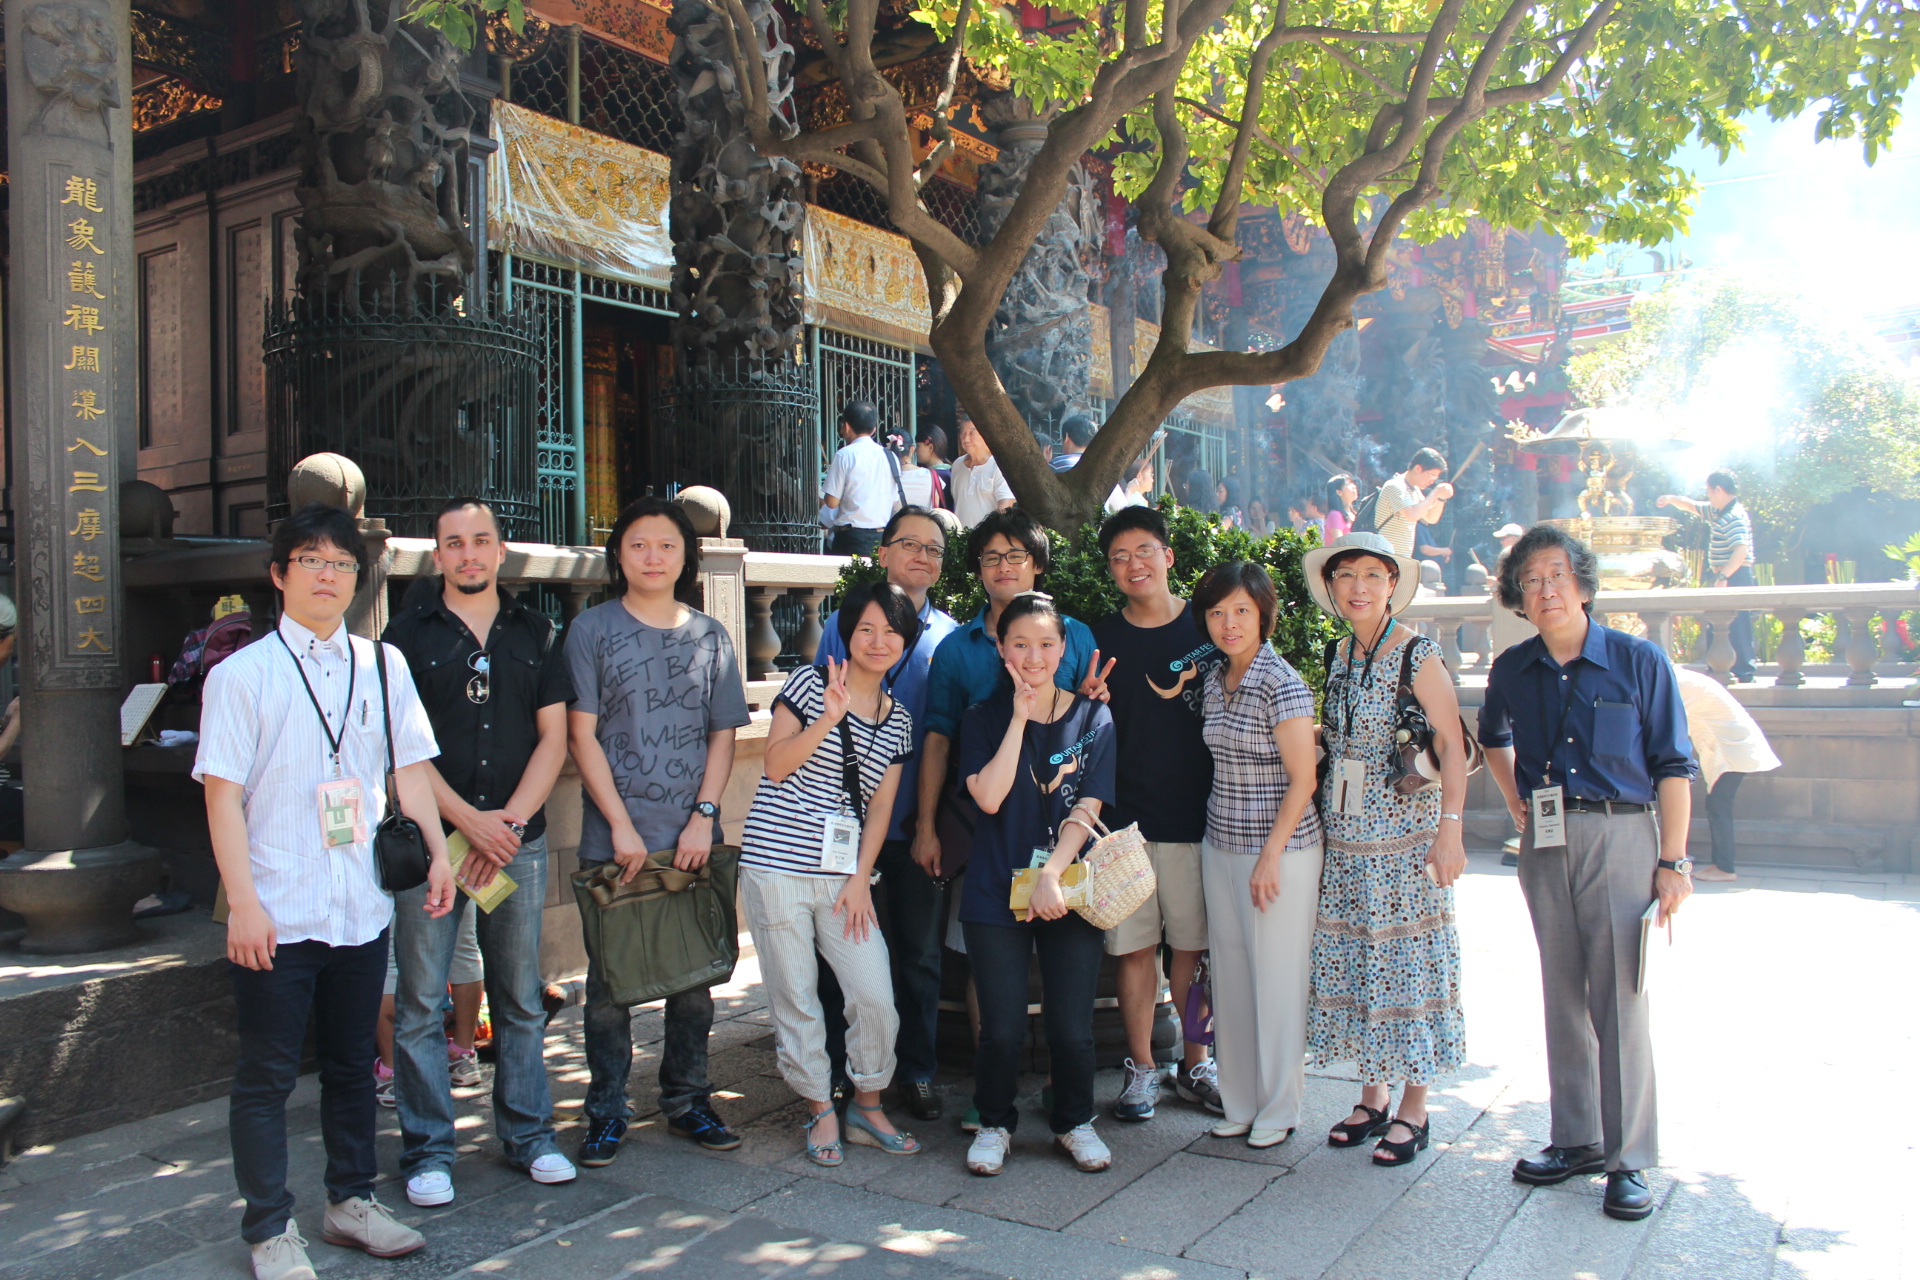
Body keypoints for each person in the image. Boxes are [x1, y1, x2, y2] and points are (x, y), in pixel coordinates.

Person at [194, 503, 454, 1280]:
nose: (328, 575)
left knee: (349, 1068)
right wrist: (243, 904)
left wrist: (439, 855)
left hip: (360, 907)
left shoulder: (383, 665)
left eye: (341, 563)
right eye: (311, 560)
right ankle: (269, 1229)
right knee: (267, 1077)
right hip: (276, 909)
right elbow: (221, 798)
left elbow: (409, 770)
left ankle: (351, 1200)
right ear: (280, 574)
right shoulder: (241, 676)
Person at [1478, 524, 1696, 1222]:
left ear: (1583, 583)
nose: (1545, 589)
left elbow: (1674, 764)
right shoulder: (1513, 668)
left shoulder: (1638, 660)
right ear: (1518, 596)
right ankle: (1577, 1139)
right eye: (1531, 580)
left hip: (1621, 834)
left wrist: (1673, 861)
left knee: (1620, 997)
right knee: (1562, 991)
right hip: (1545, 841)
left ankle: (1628, 1158)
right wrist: (1514, 801)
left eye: (1556, 575)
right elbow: (1491, 737)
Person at [381, 498, 578, 1207]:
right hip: (433, 844)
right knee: (420, 1000)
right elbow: (401, 748)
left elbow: (553, 739)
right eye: (455, 543)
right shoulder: (404, 637)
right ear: (437, 556)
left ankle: (530, 1136)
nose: (469, 554)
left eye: (481, 541)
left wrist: (510, 825)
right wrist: (469, 824)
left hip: (516, 845)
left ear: (500, 550)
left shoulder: (537, 631)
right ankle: (428, 1150)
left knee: (519, 995)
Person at [565, 497, 753, 1167]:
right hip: (615, 841)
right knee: (609, 985)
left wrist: (704, 815)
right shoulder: (591, 630)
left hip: (691, 839)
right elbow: (581, 734)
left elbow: (723, 733)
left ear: (685, 558)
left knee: (693, 982)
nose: (653, 557)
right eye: (639, 544)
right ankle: (606, 1110)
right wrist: (620, 826)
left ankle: (687, 1099)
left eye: (667, 545)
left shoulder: (711, 635)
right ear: (618, 554)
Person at [741, 583, 926, 1166]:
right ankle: (820, 1106)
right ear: (847, 634)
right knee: (796, 996)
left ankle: (866, 1103)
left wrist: (861, 877)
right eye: (866, 628)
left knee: (875, 997)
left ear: (906, 642)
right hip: (776, 866)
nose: (878, 641)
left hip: (843, 876)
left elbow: (881, 807)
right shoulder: (807, 684)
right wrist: (829, 718)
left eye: (892, 631)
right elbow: (775, 765)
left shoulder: (899, 721)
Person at [1302, 532, 1469, 1167]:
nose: (1359, 587)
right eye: (1346, 575)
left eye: (1373, 574)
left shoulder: (1417, 654)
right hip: (1348, 844)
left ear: (1392, 585)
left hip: (1406, 846)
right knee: (1363, 964)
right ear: (1331, 586)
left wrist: (1451, 829)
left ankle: (1414, 1108)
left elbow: (1452, 744)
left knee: (1408, 967)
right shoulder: (1338, 652)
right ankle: (1372, 1096)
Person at [958, 592, 1118, 1176]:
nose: (1034, 656)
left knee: (1071, 1029)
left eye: (1046, 644)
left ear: (1064, 649)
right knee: (1000, 1029)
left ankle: (1074, 1121)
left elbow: (1089, 806)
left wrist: (1051, 873)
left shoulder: (1093, 718)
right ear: (1001, 650)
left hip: (1068, 887)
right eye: (1020, 644)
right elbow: (989, 796)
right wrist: (1019, 718)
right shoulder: (981, 719)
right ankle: (994, 1122)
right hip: (993, 888)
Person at [813, 508, 962, 1121]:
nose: (922, 556)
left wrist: (931, 825)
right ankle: (839, 1070)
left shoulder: (949, 637)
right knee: (837, 954)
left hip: (915, 827)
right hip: (843, 829)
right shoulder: (841, 625)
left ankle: (917, 1071)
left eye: (934, 548)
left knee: (919, 956)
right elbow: (820, 710)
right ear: (882, 552)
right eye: (909, 544)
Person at [1089, 507, 1224, 1121]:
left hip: (1200, 819)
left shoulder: (1209, 627)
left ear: (1168, 556)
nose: (1133, 565)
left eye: (1143, 551)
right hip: (1125, 825)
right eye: (1119, 557)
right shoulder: (1100, 639)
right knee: (1134, 950)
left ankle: (1195, 1063)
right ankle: (1142, 1069)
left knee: (1193, 951)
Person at [1191, 562, 1323, 1149]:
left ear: (1264, 615)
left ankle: (1279, 1107)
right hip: (1220, 843)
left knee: (1277, 981)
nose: (1229, 623)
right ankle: (1240, 1102)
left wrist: (1271, 856)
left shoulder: (1282, 682)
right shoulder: (1215, 677)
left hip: (1280, 853)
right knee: (1232, 977)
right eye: (1218, 612)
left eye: (1242, 611)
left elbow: (1304, 779)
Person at [1673, 666, 1780, 882]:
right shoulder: (1684, 679)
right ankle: (1719, 864)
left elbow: (1668, 719)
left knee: (1719, 806)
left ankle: (1725, 868)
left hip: (1731, 751)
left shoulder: (1680, 683)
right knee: (1717, 806)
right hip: (1730, 749)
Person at [1657, 471, 1756, 681]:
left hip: (1735, 576)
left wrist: (1724, 577)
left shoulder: (1734, 516)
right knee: (1717, 623)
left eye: (1709, 492)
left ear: (1718, 490)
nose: (1708, 496)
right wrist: (1670, 499)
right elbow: (1692, 506)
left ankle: (1743, 672)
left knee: (1737, 625)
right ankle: (1718, 668)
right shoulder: (1717, 511)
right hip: (1725, 574)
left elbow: (1741, 551)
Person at [824, 401, 901, 556]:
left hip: (850, 539)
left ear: (846, 426)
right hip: (881, 538)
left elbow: (831, 502)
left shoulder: (844, 455)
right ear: (874, 429)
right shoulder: (890, 456)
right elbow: (894, 500)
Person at [1373, 448, 1454, 560]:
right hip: (1384, 557)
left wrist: (1441, 498)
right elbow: (1412, 515)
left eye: (1435, 478)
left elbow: (1431, 518)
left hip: (1401, 558)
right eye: (1431, 476)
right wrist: (1435, 493)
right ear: (1418, 468)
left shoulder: (1414, 490)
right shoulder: (1395, 486)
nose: (1432, 481)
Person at [949, 410, 1016, 527]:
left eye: (972, 433)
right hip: (961, 535)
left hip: (988, 535)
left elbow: (1005, 506)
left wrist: (993, 533)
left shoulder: (1000, 465)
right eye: (962, 432)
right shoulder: (957, 465)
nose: (966, 438)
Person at [916, 427, 953, 509]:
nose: (915, 451)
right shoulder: (951, 472)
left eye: (918, 446)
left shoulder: (929, 475)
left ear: (930, 447)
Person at [1325, 474, 1358, 541]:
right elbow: (1339, 543)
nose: (1354, 486)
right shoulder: (1335, 515)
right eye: (1348, 484)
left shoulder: (1354, 513)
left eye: (1352, 483)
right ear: (1339, 492)